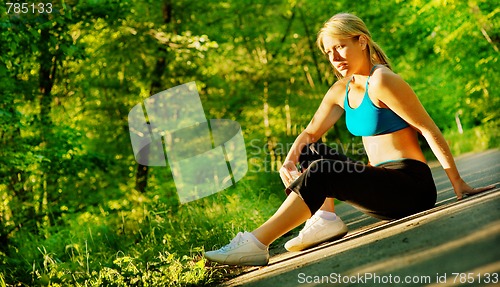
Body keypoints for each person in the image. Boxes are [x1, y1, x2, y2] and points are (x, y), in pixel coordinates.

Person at [204, 13, 495, 266]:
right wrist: (291, 159)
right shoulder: (340, 90)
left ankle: (255, 243)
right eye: (329, 52)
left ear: (362, 41)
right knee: (311, 150)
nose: (335, 57)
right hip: (382, 182)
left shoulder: (382, 80)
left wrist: (457, 183)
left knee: (322, 170)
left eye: (340, 46)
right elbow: (309, 134)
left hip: (411, 187)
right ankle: (325, 220)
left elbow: (429, 129)